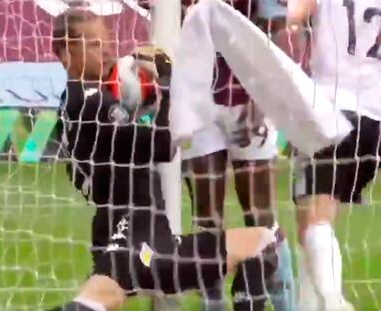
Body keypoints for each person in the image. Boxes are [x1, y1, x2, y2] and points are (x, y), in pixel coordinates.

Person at [48, 9, 277, 311]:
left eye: (105, 42)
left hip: (117, 232)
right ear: (66, 52)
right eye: (92, 44)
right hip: (141, 237)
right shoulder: (93, 104)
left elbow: (123, 143)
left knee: (98, 300)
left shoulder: (74, 102)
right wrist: (169, 84)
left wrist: (146, 104)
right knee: (262, 242)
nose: (106, 51)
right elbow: (164, 144)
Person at [180, 1, 298, 310]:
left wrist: (261, 92)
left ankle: (286, 302)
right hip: (196, 98)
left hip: (247, 98)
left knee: (260, 214)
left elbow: (274, 24)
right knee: (206, 217)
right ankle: (213, 305)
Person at [288, 0, 381, 309]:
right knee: (313, 224)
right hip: (373, 118)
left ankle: (333, 301)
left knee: (315, 216)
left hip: (328, 107)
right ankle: (313, 304)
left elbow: (293, 15)